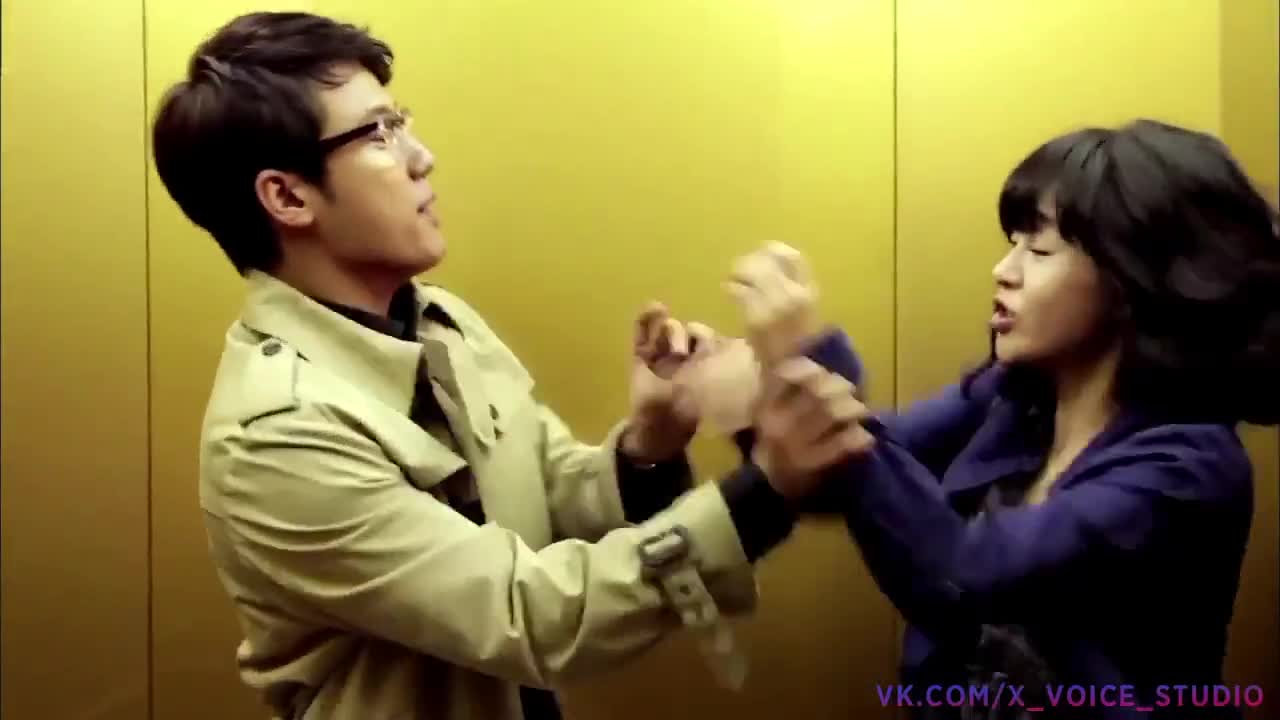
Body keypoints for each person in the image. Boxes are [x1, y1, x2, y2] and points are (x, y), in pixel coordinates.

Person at [151, 11, 868, 720]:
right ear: (286, 196)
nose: (421, 156)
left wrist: (648, 448)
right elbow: (526, 613)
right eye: (377, 133)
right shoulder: (275, 435)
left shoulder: (442, 322)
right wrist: (764, 490)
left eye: (401, 121)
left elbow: (549, 505)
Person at [726, 121, 1280, 719]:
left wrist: (804, 369)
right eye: (1013, 242)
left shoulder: (1190, 464)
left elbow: (969, 576)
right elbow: (848, 476)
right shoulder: (1012, 395)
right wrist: (754, 392)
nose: (1004, 270)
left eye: (1038, 251)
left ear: (1130, 280)